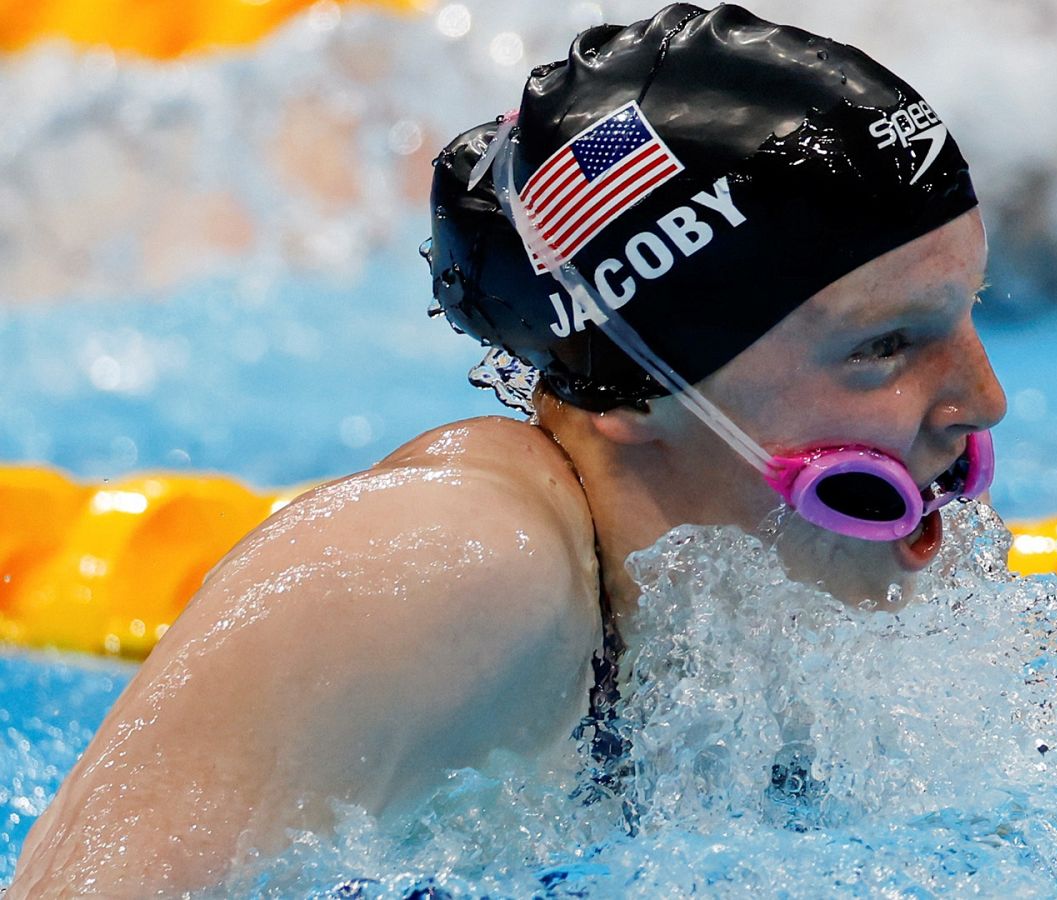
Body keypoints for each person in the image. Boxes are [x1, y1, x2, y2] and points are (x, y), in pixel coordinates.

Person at [10, 4, 1006, 895]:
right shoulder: (445, 563)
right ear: (636, 388)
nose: (982, 400)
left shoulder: (734, 616)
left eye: (967, 314)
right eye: (883, 348)